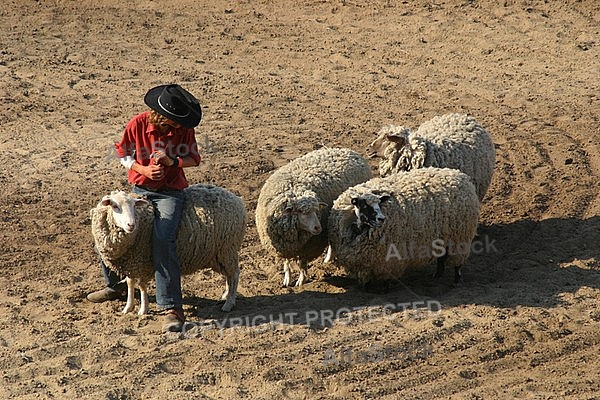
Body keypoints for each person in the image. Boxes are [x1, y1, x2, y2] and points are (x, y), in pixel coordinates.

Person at [87, 84, 202, 333]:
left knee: (163, 239)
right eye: (177, 121)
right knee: (109, 232)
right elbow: (122, 153)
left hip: (170, 193)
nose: (182, 126)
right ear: (165, 116)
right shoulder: (138, 124)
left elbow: (194, 159)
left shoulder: (185, 130)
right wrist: (143, 169)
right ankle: (115, 284)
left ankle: (171, 307)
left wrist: (173, 162)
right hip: (140, 190)